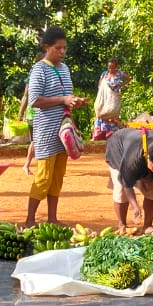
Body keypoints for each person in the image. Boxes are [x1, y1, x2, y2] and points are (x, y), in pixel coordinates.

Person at [25, 26, 86, 227]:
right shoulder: (39, 69)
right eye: (57, 48)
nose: (62, 52)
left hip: (62, 132)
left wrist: (74, 101)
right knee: (43, 177)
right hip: (46, 131)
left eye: (64, 48)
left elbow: (66, 96)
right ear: (46, 47)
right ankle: (30, 220)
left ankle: (52, 218)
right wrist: (63, 99)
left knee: (58, 177)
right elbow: (34, 100)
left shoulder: (64, 69)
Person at [104, 127, 153, 233]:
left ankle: (147, 225)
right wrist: (135, 207)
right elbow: (126, 184)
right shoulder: (133, 158)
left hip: (139, 150)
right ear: (147, 156)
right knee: (120, 190)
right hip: (117, 149)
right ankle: (122, 224)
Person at [92, 59, 128, 141]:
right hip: (104, 100)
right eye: (109, 67)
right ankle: (99, 135)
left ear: (116, 67)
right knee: (100, 114)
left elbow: (129, 78)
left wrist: (121, 85)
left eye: (112, 67)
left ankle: (112, 138)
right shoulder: (104, 74)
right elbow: (100, 86)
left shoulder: (119, 74)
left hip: (113, 100)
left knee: (112, 116)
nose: (110, 69)